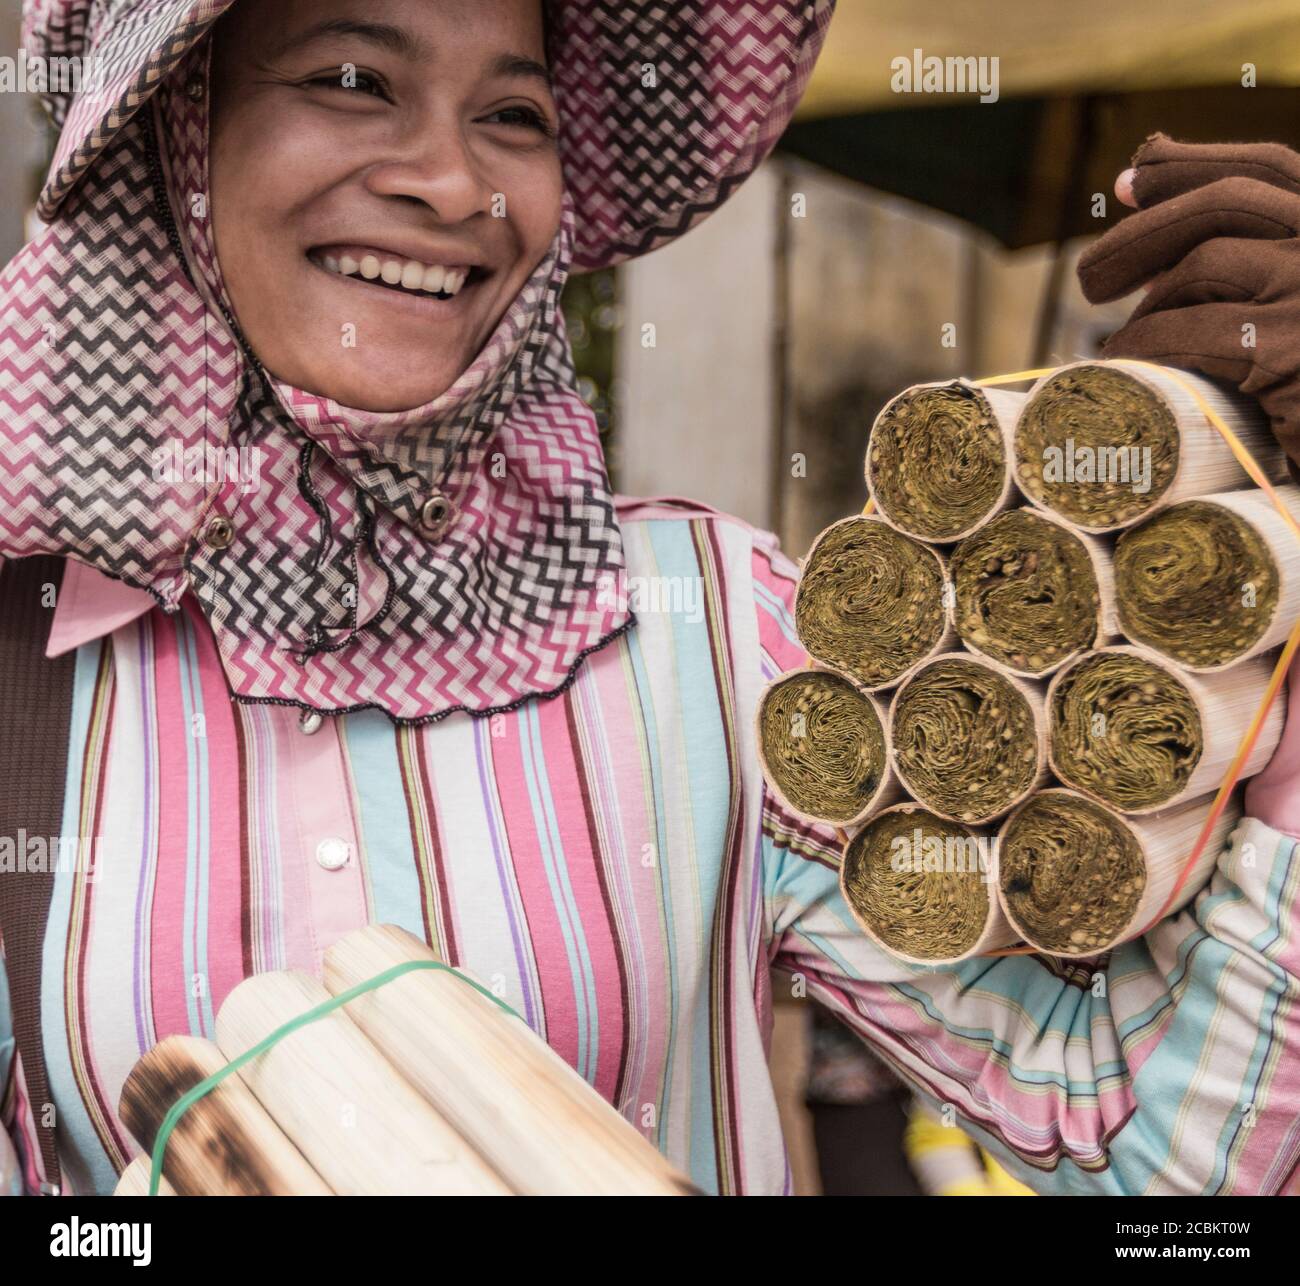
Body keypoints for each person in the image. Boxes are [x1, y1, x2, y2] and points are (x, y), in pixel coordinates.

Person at [1, 0, 1298, 1198]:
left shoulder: (721, 632)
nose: (455, 183)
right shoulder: (21, 678)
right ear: (184, 126)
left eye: (515, 113)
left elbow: (1146, 1147)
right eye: (352, 80)